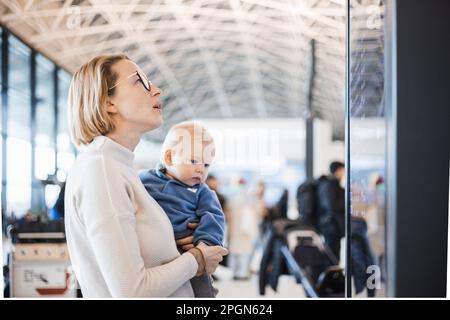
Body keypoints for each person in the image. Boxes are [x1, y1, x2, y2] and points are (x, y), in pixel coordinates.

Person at [64, 54, 227, 298]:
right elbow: (132, 291)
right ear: (108, 102)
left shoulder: (120, 168)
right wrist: (197, 259)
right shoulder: (102, 169)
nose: (157, 90)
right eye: (140, 82)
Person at [139, 121, 225, 297]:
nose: (201, 170)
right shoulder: (143, 180)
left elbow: (214, 218)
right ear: (169, 158)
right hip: (155, 256)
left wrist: (204, 246)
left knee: (201, 290)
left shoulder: (202, 192)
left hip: (189, 251)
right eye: (193, 161)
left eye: (207, 165)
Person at [317, 161, 345, 262]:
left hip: (330, 225)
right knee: (332, 254)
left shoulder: (328, 184)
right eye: (343, 170)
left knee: (333, 253)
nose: (344, 173)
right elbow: (332, 205)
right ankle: (332, 276)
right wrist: (347, 202)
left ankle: (333, 274)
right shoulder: (331, 184)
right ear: (338, 171)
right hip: (331, 225)